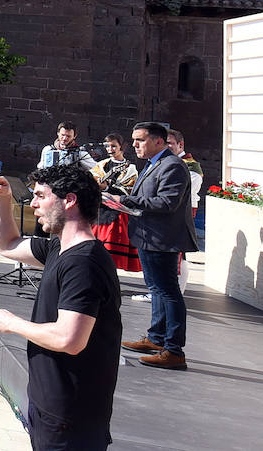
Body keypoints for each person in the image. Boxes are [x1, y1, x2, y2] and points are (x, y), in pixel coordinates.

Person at [0, 165, 121, 451]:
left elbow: (69, 339)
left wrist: (12, 323)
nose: (33, 204)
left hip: (71, 416)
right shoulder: (59, 248)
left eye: (41, 196)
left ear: (69, 200)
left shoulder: (84, 262)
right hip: (50, 406)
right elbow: (6, 243)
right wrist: (3, 198)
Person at [105, 121, 198, 370]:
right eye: (133, 139)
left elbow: (166, 203)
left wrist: (124, 199)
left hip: (162, 239)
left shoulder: (173, 166)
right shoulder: (154, 163)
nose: (134, 144)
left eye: (140, 140)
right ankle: (156, 339)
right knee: (157, 289)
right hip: (149, 236)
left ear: (159, 141)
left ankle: (174, 350)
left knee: (168, 292)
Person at [89, 133, 141, 274]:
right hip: (99, 209)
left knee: (110, 250)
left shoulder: (130, 169)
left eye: (113, 146)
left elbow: (128, 191)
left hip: (116, 212)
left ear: (122, 147)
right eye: (107, 146)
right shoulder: (101, 165)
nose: (110, 149)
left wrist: (106, 188)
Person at [166, 128, 203, 292]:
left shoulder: (191, 167)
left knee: (178, 252)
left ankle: (175, 291)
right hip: (174, 212)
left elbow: (185, 190)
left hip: (181, 212)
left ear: (180, 145)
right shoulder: (171, 162)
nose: (166, 147)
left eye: (170, 143)